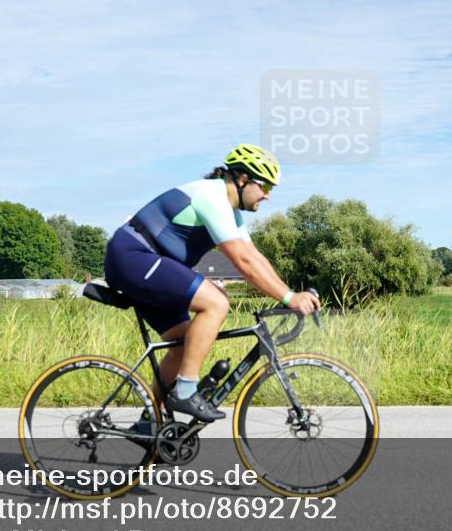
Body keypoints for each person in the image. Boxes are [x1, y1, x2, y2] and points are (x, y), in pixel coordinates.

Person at [104, 144, 320, 422]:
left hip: (149, 264)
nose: (267, 195)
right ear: (243, 179)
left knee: (182, 343)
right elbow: (242, 263)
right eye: (265, 186)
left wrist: (289, 293)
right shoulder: (211, 196)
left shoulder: (233, 213)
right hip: (132, 257)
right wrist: (290, 298)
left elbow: (254, 257)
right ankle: (184, 391)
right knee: (216, 302)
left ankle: (150, 421)